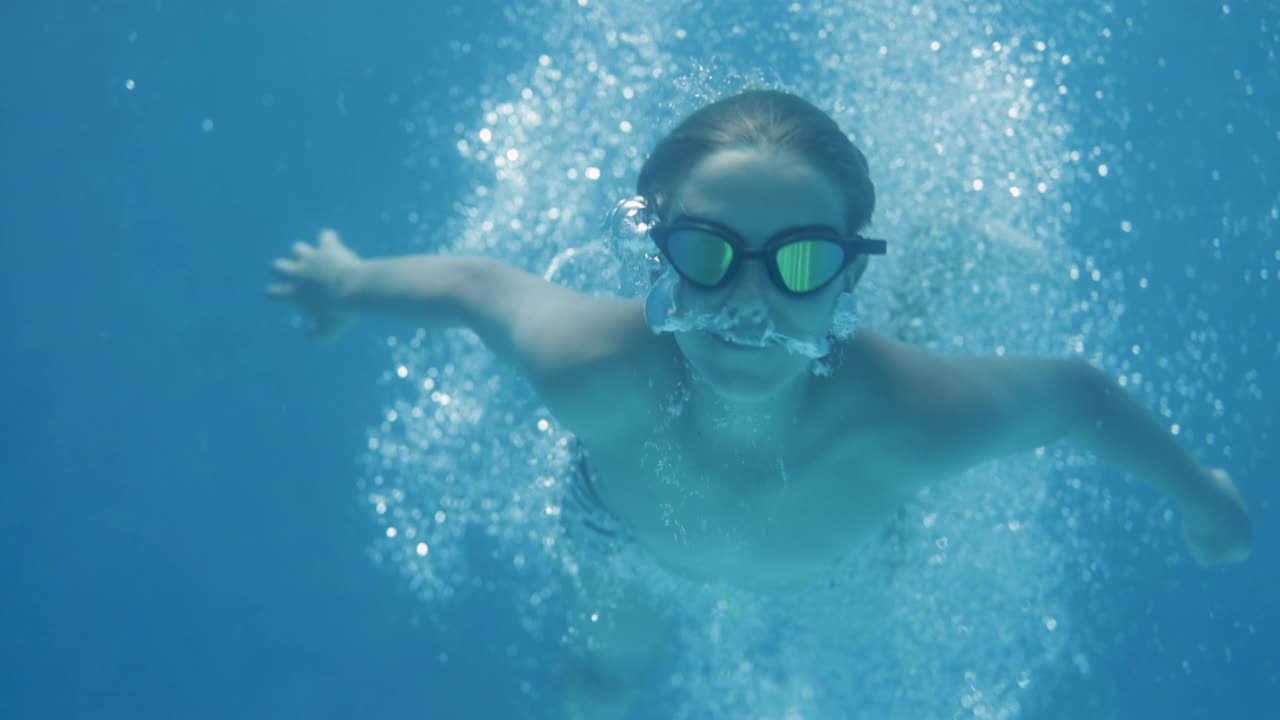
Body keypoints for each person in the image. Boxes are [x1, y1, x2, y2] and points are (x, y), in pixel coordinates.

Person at [267, 90, 1251, 719]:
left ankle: (936, 254)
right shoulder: (594, 370)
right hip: (625, 534)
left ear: (842, 273)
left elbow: (1075, 396)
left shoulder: (905, 419)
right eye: (705, 253)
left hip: (841, 551)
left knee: (850, 635)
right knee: (603, 675)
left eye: (800, 262)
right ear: (658, 255)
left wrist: (1197, 489)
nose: (744, 305)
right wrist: (346, 282)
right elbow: (477, 290)